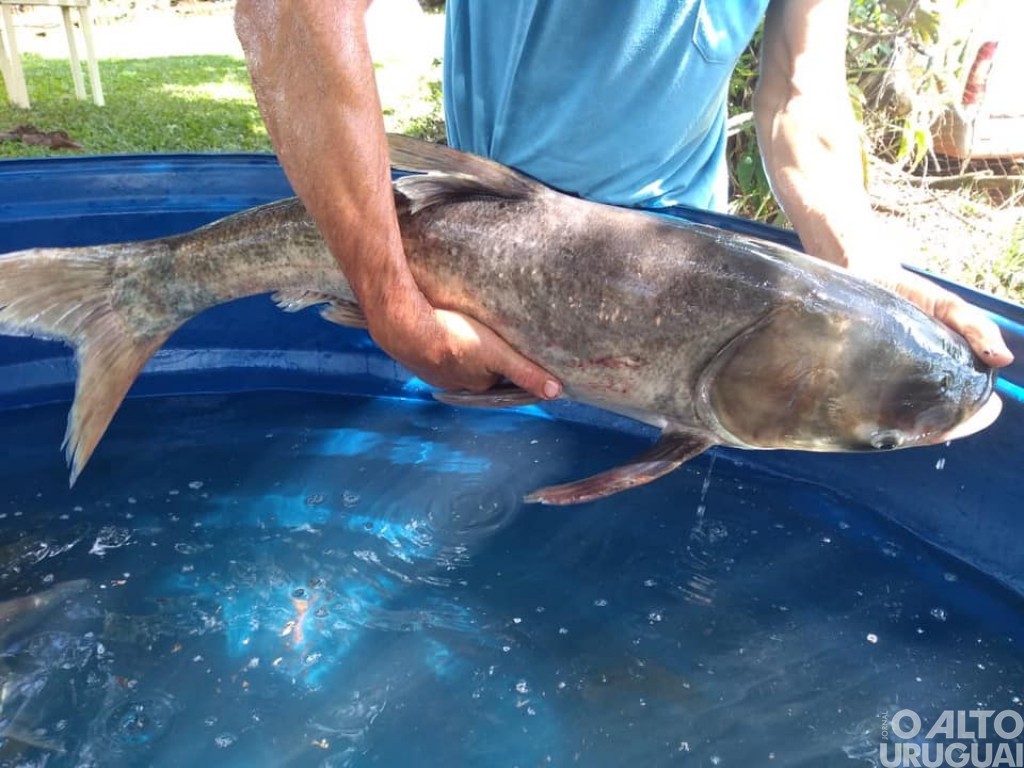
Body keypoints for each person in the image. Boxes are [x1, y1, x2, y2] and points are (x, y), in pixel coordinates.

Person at [233, 0, 1013, 402]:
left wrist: (862, 269)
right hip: (485, 244)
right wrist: (391, 302)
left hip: (682, 260)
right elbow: (294, 14)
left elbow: (802, 94)